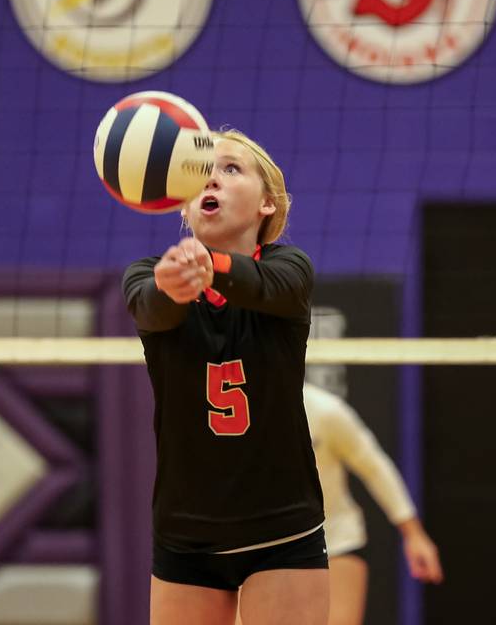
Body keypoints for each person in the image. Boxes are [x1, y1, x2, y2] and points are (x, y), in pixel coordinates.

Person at [123, 129, 329, 625]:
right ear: (184, 209)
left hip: (281, 529)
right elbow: (152, 310)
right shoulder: (148, 274)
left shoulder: (289, 267)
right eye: (197, 172)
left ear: (267, 204)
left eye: (231, 168)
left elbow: (270, 285)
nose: (211, 176)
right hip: (186, 533)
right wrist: (174, 283)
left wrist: (209, 265)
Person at [303, 380, 443, 625]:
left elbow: (374, 466)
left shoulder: (326, 411)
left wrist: (414, 534)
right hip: (262, 544)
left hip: (335, 540)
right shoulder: (238, 417)